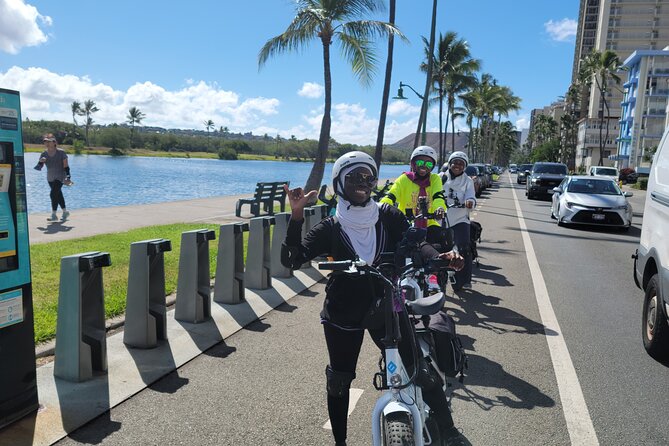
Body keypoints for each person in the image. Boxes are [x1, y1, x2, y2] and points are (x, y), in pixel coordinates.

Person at [281, 151, 465, 446]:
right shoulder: (330, 226)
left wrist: (440, 256)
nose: (363, 183)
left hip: (387, 307)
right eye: (354, 177)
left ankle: (451, 431)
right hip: (342, 313)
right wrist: (297, 214)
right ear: (340, 182)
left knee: (421, 370)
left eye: (368, 177)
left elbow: (418, 244)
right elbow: (291, 259)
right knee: (339, 382)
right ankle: (340, 442)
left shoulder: (387, 215)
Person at [379, 145, 448, 248]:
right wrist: (381, 208)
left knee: (440, 246)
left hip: (429, 223)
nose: (424, 166)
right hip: (405, 223)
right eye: (420, 162)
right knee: (392, 250)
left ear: (432, 166)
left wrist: (439, 208)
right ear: (413, 163)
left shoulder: (435, 179)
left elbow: (438, 196)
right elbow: (391, 195)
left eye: (428, 164)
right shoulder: (404, 178)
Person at [441, 151, 477, 291]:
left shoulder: (468, 181)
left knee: (464, 248)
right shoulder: (441, 177)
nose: (457, 165)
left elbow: (471, 196)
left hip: (460, 218)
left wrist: (469, 202)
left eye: (461, 163)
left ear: (465, 166)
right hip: (442, 219)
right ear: (450, 164)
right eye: (455, 162)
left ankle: (465, 279)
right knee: (440, 248)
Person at [34, 134, 72, 222]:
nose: (46, 143)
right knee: (58, 194)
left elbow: (66, 166)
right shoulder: (44, 153)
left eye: (48, 141)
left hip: (60, 176)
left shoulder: (61, 152)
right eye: (45, 141)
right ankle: (65, 212)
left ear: (54, 142)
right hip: (50, 177)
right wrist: (40, 162)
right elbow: (39, 167)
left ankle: (54, 214)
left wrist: (68, 177)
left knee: (52, 194)